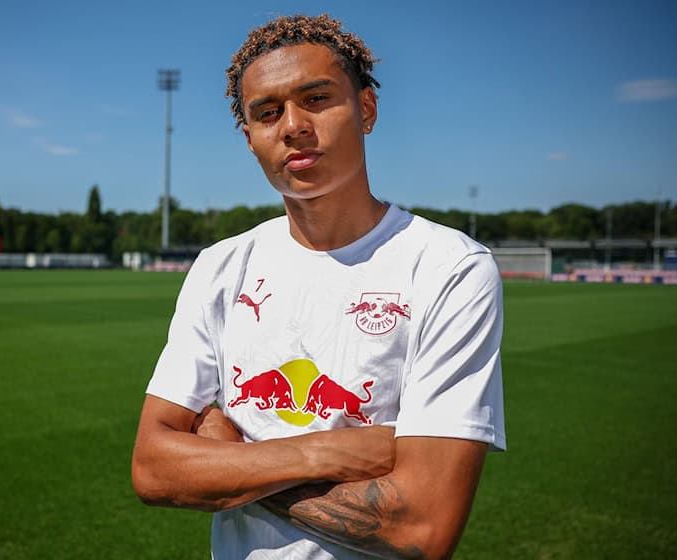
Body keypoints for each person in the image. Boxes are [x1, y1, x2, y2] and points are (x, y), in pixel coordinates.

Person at [131, 13, 505, 559]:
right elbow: (151, 467)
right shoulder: (220, 266)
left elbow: (422, 526)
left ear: (367, 109)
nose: (293, 125)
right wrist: (324, 452)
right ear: (251, 138)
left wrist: (228, 461)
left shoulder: (450, 268)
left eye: (316, 98)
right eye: (267, 112)